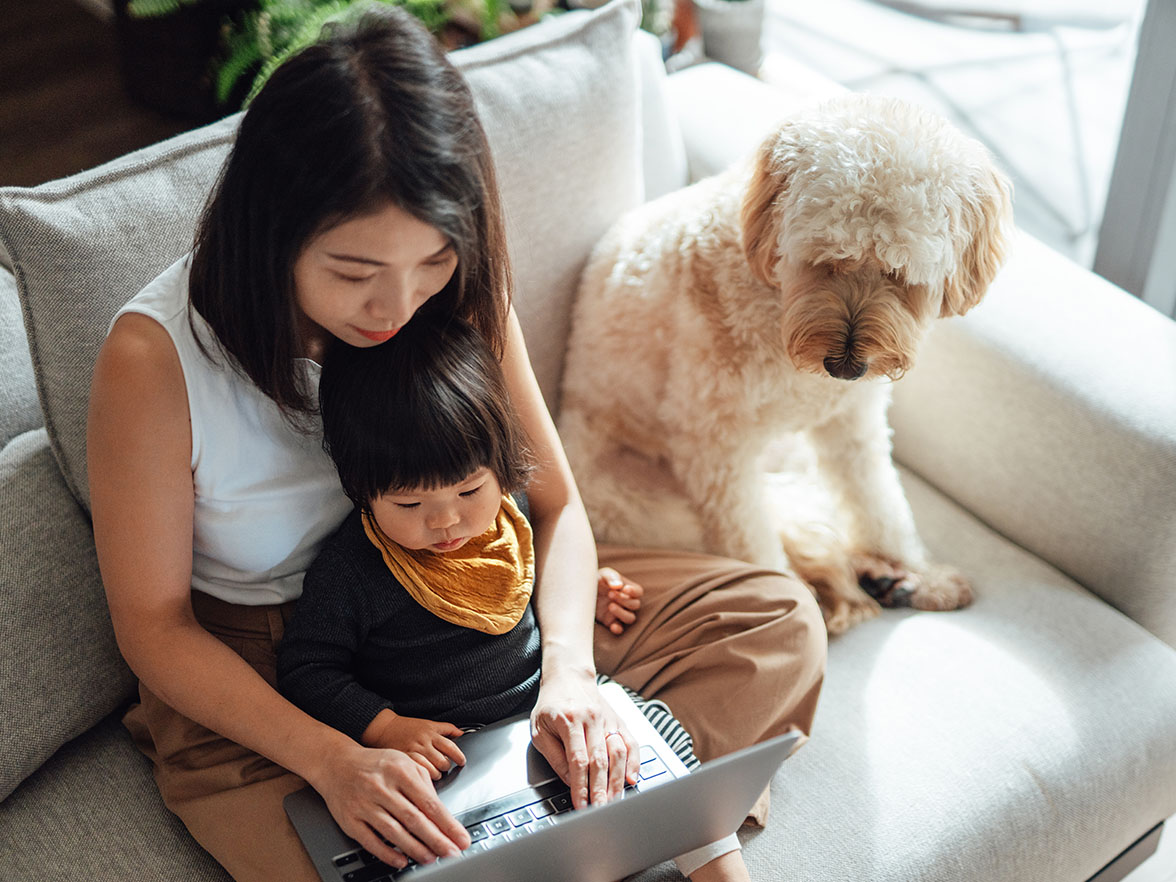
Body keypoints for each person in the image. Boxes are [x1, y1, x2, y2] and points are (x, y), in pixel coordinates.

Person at [85, 6, 827, 882]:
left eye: (431, 260)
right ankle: (614, 819)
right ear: (270, 234)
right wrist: (333, 759)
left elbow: (552, 506)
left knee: (775, 624)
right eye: (354, 273)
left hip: (480, 585)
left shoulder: (460, 295)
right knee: (376, 863)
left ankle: (605, 791)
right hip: (278, 659)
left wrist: (572, 678)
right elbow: (156, 629)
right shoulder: (155, 358)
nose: (396, 307)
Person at [277, 314, 745, 879]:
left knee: (654, 737)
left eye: (470, 490)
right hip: (453, 756)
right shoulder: (352, 570)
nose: (447, 522)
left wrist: (586, 588)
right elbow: (307, 669)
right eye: (408, 505)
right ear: (360, 490)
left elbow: (534, 570)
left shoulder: (512, 514)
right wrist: (385, 728)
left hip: (548, 712)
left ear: (501, 466)